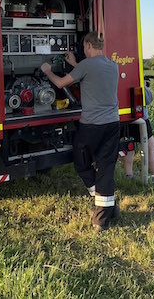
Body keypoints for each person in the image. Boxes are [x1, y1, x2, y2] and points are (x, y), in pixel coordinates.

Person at [41, 32, 120, 231]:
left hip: (92, 126)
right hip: (112, 124)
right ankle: (109, 207)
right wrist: (75, 64)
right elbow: (92, 75)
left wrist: (47, 71)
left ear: (88, 45)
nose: (83, 49)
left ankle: (100, 219)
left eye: (84, 46)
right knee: (106, 166)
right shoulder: (112, 65)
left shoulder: (86, 65)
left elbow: (60, 83)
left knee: (81, 162)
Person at [122, 76, 154, 189]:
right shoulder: (137, 79)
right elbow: (148, 99)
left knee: (128, 148)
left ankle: (128, 177)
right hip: (140, 118)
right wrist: (144, 84)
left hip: (123, 118)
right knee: (151, 148)